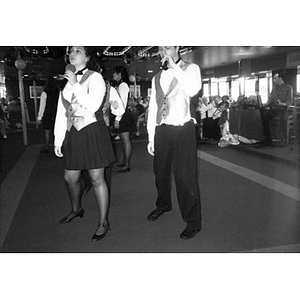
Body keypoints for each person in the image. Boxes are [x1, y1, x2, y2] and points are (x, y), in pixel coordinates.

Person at [54, 46, 115, 242]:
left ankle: (103, 222)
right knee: (70, 177)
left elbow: (93, 105)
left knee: (97, 178)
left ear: (87, 57)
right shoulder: (67, 81)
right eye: (71, 50)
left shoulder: (95, 77)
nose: (72, 53)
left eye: (78, 50)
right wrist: (58, 139)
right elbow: (61, 112)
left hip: (92, 132)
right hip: (73, 133)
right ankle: (76, 209)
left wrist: (76, 85)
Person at [146, 46, 202, 240]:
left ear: (177, 47)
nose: (163, 51)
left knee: (185, 178)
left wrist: (174, 67)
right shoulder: (156, 77)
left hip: (183, 129)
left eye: (167, 46)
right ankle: (163, 205)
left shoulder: (190, 68)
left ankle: (193, 222)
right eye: (160, 48)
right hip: (162, 129)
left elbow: (193, 90)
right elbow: (153, 107)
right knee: (160, 174)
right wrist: (151, 134)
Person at [111, 66, 135, 173]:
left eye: (115, 73)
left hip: (123, 115)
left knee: (125, 141)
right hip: (122, 115)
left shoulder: (123, 85)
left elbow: (123, 103)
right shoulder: (121, 85)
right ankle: (125, 161)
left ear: (120, 74)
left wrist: (118, 118)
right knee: (123, 140)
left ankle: (127, 164)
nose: (113, 75)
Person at [261, 71, 293, 145]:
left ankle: (284, 139)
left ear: (280, 78)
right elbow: (271, 98)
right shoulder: (274, 88)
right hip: (275, 109)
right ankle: (268, 138)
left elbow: (289, 100)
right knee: (265, 118)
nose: (274, 80)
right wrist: (266, 103)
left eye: (275, 78)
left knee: (283, 119)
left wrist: (283, 103)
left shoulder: (288, 87)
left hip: (284, 109)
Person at [37, 77, 60, 153]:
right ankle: (58, 146)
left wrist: (40, 117)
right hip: (57, 113)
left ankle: (47, 146)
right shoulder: (58, 92)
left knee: (47, 132)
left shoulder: (45, 93)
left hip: (47, 114)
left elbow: (42, 106)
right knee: (57, 131)